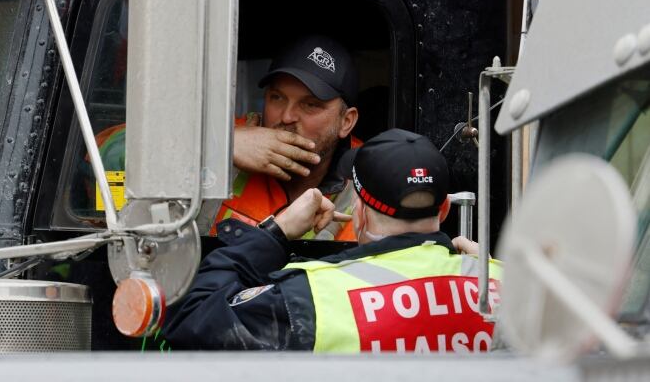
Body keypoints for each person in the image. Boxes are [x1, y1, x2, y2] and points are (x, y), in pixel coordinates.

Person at [162, 128, 502, 352]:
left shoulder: (311, 297)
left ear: (360, 214)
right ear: (444, 208)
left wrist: (275, 233)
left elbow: (191, 320)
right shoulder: (513, 286)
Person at [212, 34, 361, 240]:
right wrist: (222, 147)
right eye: (277, 98)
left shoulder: (368, 176)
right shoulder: (225, 135)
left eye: (310, 104)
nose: (286, 116)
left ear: (346, 122)